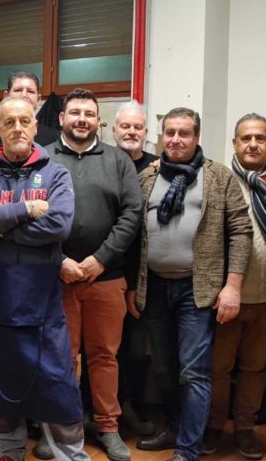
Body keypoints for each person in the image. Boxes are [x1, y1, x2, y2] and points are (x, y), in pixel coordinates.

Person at [0, 96, 89, 461]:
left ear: (35, 127)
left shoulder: (56, 174)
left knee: (58, 386)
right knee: (1, 385)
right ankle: (8, 452)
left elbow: (59, 226)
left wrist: (0, 224)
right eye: (9, 122)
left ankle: (71, 455)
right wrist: (27, 208)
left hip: (42, 305)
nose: (17, 128)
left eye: (24, 121)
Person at [127, 107, 252, 461]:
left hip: (197, 291)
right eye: (170, 133)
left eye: (184, 133)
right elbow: (134, 235)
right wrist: (133, 285)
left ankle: (187, 449)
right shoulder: (147, 178)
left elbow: (241, 232)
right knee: (163, 368)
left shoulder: (218, 177)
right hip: (153, 288)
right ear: (161, 137)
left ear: (197, 137)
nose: (176, 139)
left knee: (193, 372)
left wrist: (233, 286)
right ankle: (173, 427)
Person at [46, 88, 142, 461]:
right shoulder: (44, 158)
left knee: (104, 357)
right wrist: (59, 261)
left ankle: (107, 426)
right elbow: (31, 215)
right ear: (62, 118)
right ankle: (60, 428)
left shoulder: (118, 161)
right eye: (75, 113)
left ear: (99, 121)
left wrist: (101, 259)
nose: (82, 119)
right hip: (58, 279)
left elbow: (131, 214)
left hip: (107, 277)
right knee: (61, 357)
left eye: (89, 113)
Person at [201, 113, 266, 459]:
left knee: (255, 369)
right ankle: (215, 426)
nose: (252, 144)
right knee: (217, 369)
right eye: (245, 138)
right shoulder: (218, 179)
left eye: (260, 138)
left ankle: (246, 429)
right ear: (234, 143)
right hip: (226, 297)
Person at [111, 100, 157, 436]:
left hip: (144, 277)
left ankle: (133, 408)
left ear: (145, 132)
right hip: (108, 271)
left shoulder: (158, 167)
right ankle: (97, 410)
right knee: (102, 350)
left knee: (138, 351)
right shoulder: (103, 162)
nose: (131, 132)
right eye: (125, 126)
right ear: (114, 130)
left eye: (137, 127)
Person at [0, 71, 60, 148]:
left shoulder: (54, 138)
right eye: (18, 90)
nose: (24, 95)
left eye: (30, 91)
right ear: (6, 96)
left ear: (38, 100)